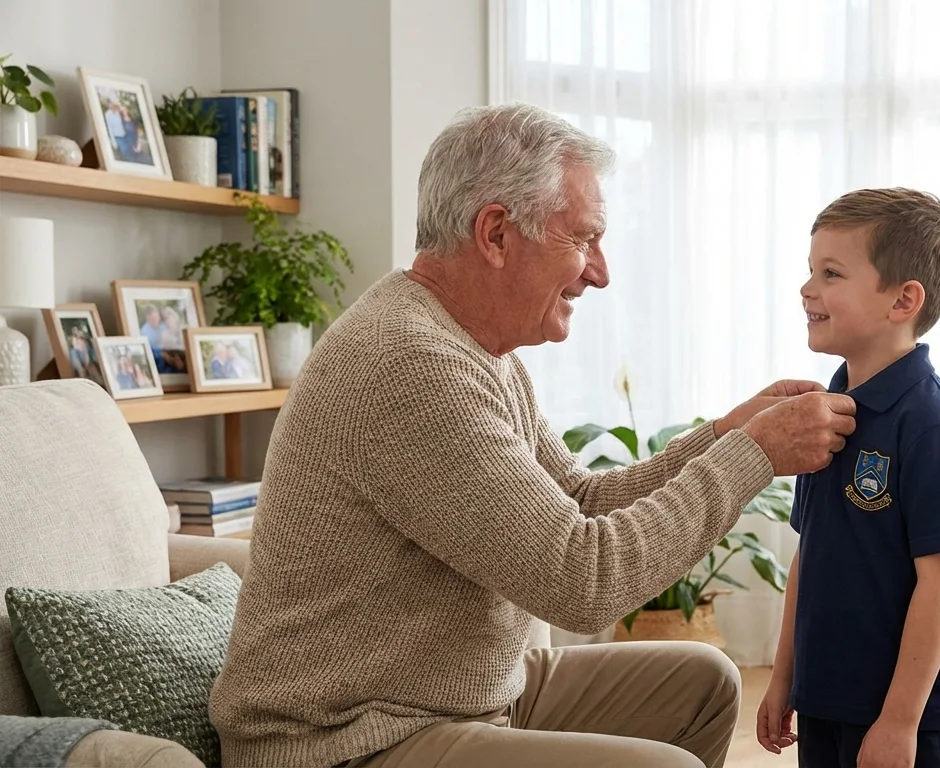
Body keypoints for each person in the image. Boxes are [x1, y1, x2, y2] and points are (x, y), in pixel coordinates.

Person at [209, 102, 858, 768]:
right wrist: (751, 457)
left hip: (462, 701)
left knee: (702, 685)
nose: (600, 272)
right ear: (495, 233)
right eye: (584, 239)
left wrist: (725, 433)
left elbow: (578, 501)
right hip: (350, 739)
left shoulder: (479, 350)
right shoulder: (408, 364)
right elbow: (583, 579)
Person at [757, 188, 940, 768]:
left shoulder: (931, 425)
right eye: (810, 270)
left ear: (903, 300)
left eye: (831, 273)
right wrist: (785, 678)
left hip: (908, 720)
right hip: (826, 702)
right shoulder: (823, 412)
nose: (808, 288)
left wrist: (900, 722)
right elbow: (809, 556)